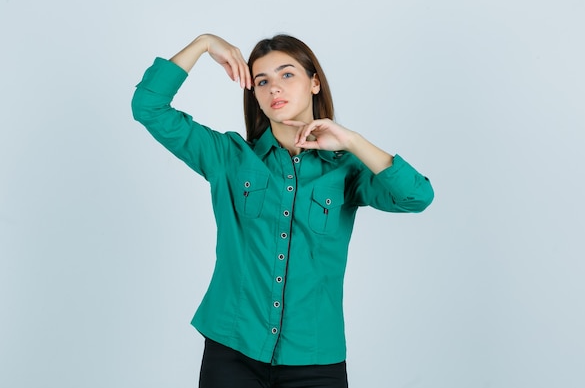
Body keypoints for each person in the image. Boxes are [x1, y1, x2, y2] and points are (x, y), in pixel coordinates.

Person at [131, 33, 434, 388]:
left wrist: (351, 140)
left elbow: (417, 196)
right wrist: (202, 44)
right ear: (254, 95)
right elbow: (148, 106)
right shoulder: (228, 157)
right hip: (232, 350)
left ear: (314, 83)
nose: (275, 88)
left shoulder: (347, 169)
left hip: (315, 359)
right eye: (262, 81)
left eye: (287, 74)